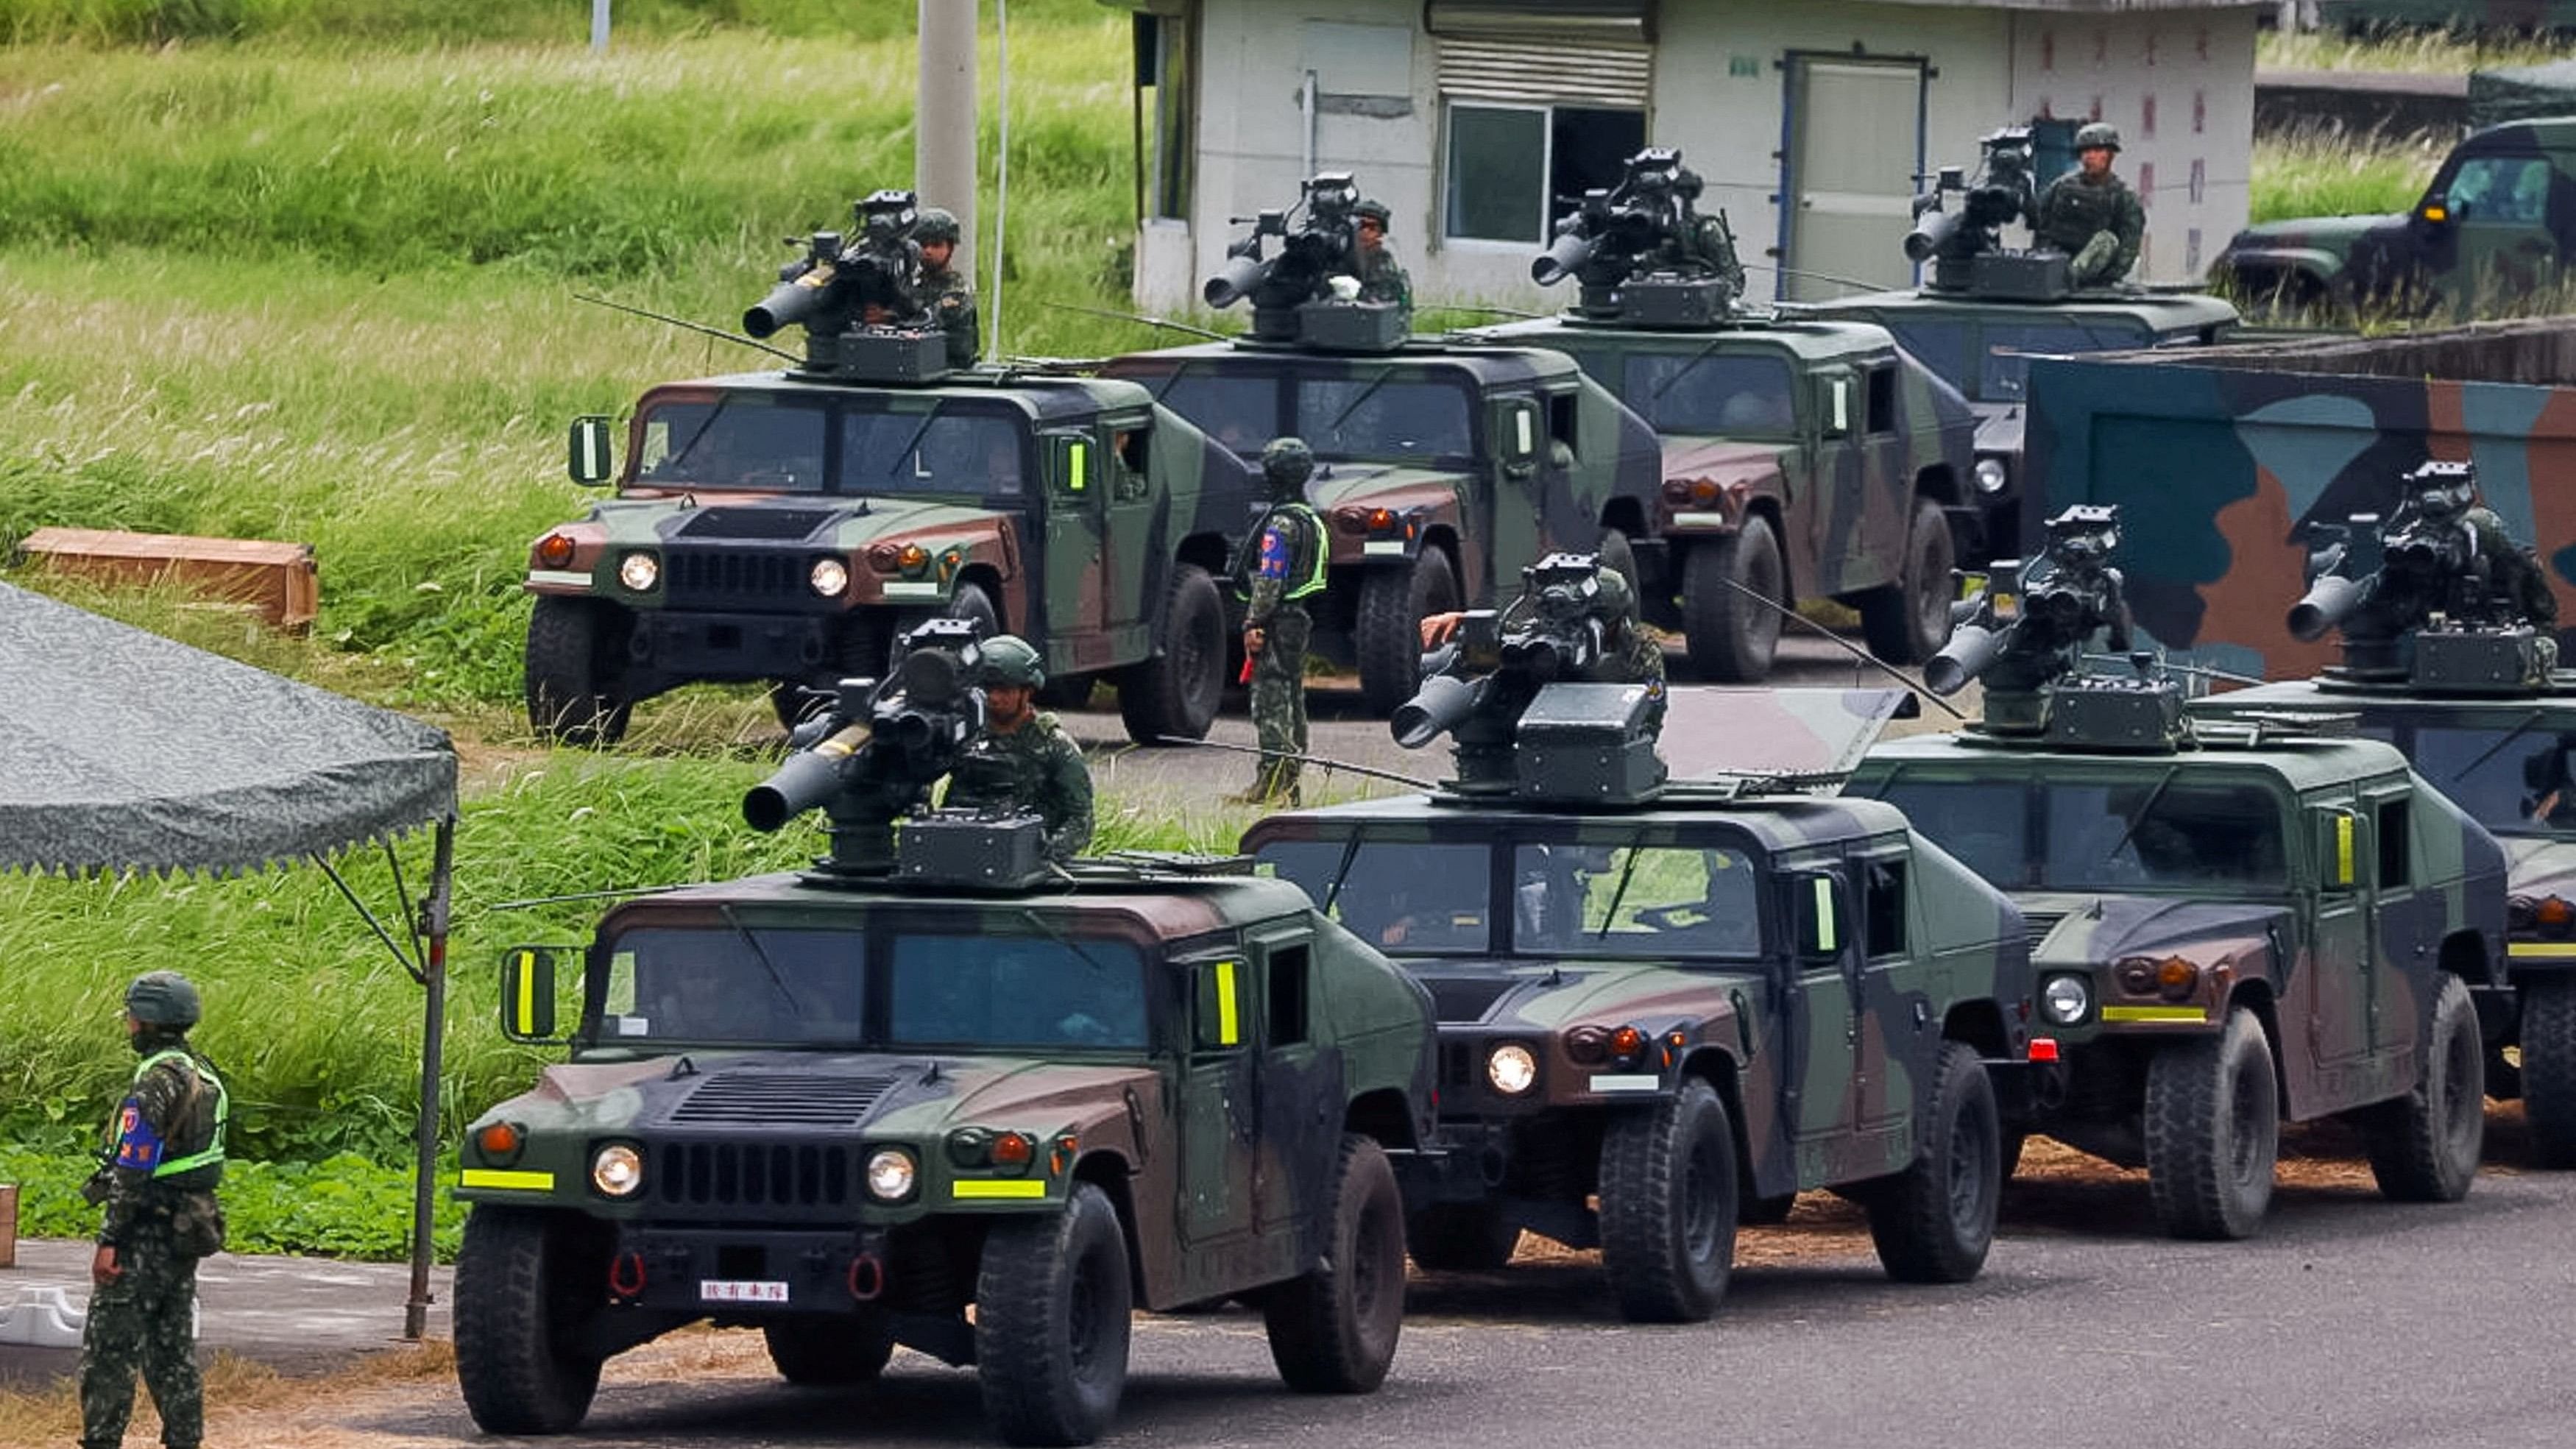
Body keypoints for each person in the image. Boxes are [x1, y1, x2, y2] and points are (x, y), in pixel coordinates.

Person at [80, 971, 227, 1449]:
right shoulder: (204, 1075)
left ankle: (102, 1441)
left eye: (131, 1015)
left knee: (110, 1351)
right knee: (173, 1351)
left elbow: (133, 1169)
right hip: (186, 1231)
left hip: (143, 1232)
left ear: (146, 1020)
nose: (128, 1024)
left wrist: (110, 1241)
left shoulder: (154, 1085)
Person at [1418, 556, 1669, 736]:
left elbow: (1651, 718)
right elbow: (1505, 642)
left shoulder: (1638, 651)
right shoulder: (1543, 642)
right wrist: (1465, 623)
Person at [1230, 438, 1328, 805]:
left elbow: (1270, 579)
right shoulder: (1309, 519)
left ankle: (1271, 784)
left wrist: (1253, 622)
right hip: (1297, 618)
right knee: (1292, 697)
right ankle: (1289, 780)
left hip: (1277, 620)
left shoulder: (1281, 524)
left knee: (1270, 701)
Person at [944, 634, 1094, 861]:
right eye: (986, 688)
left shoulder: (1054, 746)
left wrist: (1045, 854)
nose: (993, 698)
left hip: (1028, 860)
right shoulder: (964, 737)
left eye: (1004, 690)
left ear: (1027, 692)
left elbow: (1081, 819)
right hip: (963, 854)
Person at [2033, 122, 2145, 288]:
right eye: (2085, 151)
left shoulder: (2123, 196)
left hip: (2094, 275)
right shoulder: (2061, 186)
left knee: (2106, 240)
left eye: (2097, 151)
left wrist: (2107, 279)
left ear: (2111, 155)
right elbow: (2041, 225)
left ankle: (2072, 279)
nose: (2090, 157)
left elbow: (2129, 246)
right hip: (2055, 264)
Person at [914, 206, 981, 368]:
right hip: (920, 368)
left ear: (950, 248)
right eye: (923, 244)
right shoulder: (913, 286)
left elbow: (926, 321)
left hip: (954, 372)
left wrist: (891, 317)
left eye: (936, 245)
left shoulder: (958, 291)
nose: (928, 251)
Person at [1350, 199, 1413, 316]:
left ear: (1380, 234)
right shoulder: (1341, 256)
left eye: (1372, 227)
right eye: (1361, 226)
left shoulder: (1383, 261)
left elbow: (1383, 301)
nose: (1365, 232)